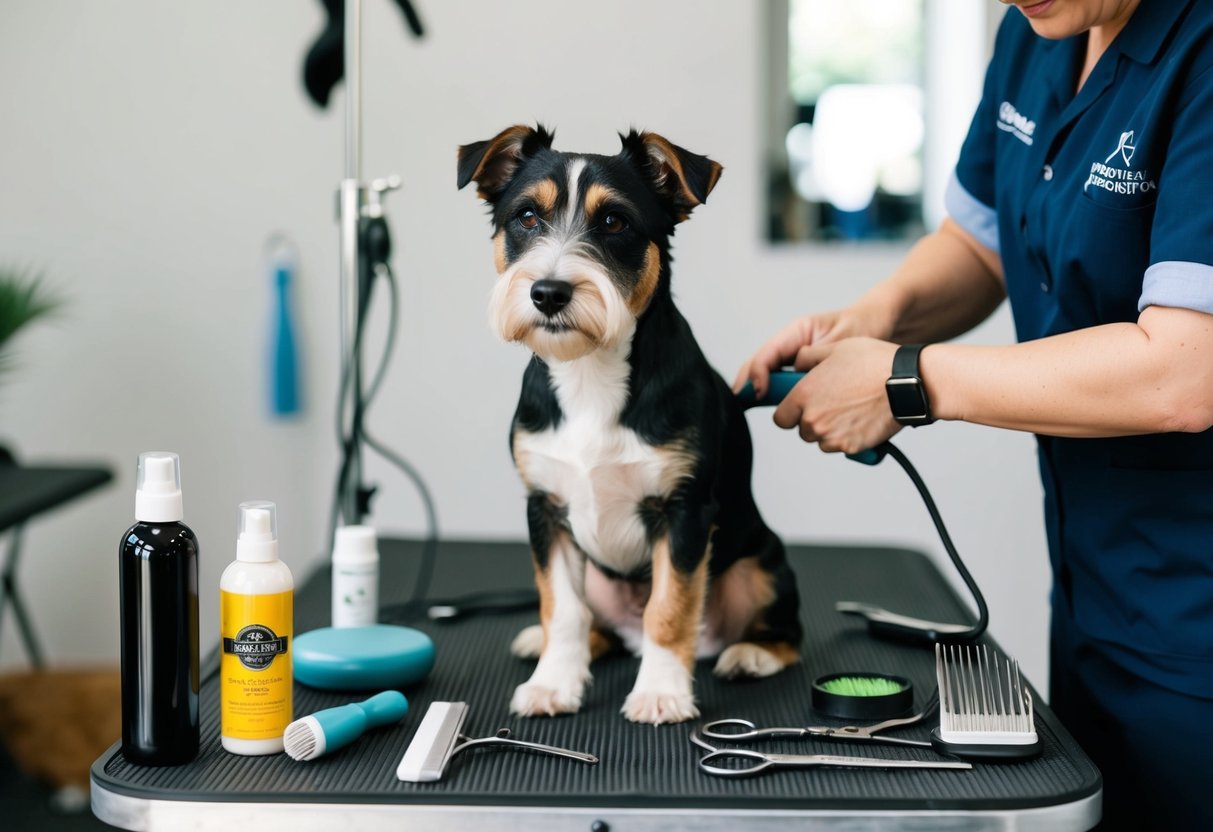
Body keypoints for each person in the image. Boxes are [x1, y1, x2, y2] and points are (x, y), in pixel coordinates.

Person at [735, 0, 1213, 828]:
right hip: (1097, 589)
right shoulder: (1036, 31)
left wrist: (905, 380)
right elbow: (979, 240)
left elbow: (1183, 372)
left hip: (1196, 619)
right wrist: (874, 322)